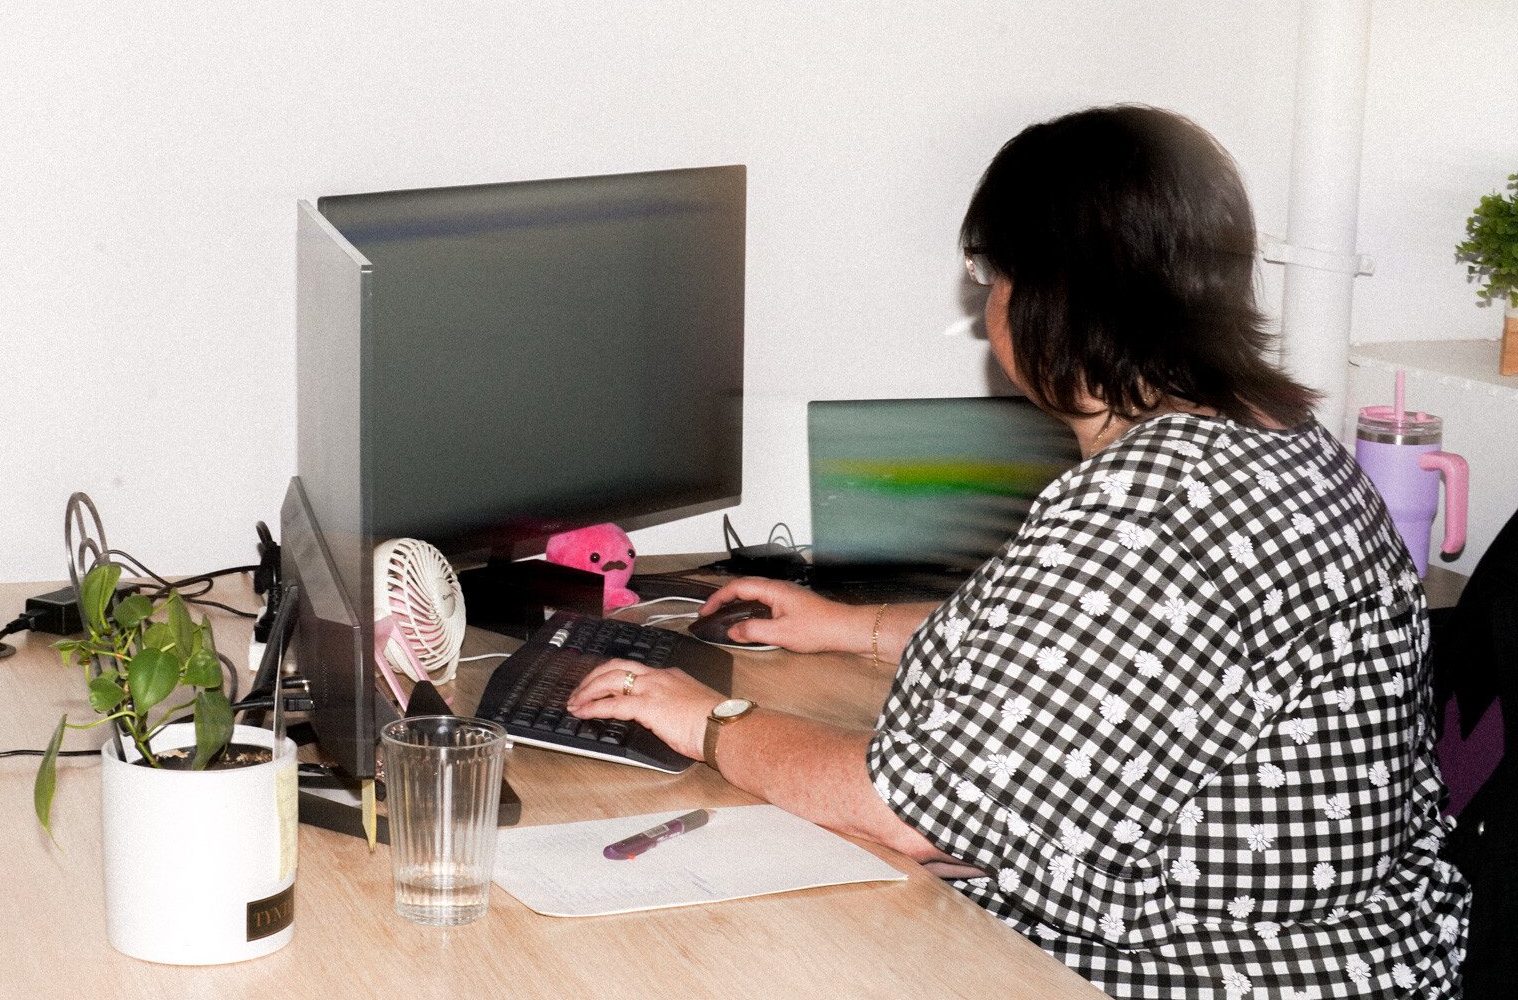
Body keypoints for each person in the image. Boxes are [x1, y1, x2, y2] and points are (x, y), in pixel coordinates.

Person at [567, 105, 1469, 997]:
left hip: (1205, 977)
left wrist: (707, 719)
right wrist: (854, 628)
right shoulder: (1263, 436)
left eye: (993, 271)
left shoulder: (1156, 508)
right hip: (1340, 951)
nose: (989, 298)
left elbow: (915, 811)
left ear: (1054, 293)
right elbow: (1099, 652)